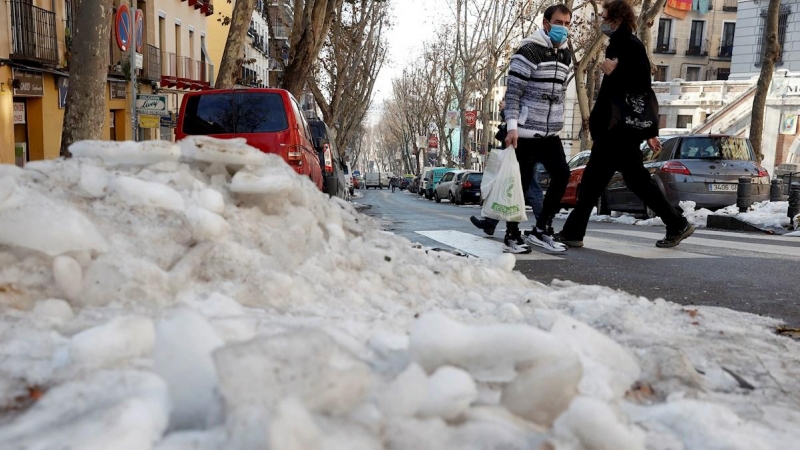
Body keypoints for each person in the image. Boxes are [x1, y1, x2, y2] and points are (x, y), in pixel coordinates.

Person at [554, 0, 694, 249]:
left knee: (605, 182)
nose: (602, 22)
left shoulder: (627, 44)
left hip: (618, 130)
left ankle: (676, 223)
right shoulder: (622, 42)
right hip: (617, 130)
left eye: (605, 17)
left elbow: (641, 84)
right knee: (619, 181)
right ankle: (675, 223)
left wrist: (614, 71)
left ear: (617, 19)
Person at [491, 4, 573, 253]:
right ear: (546, 23)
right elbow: (514, 92)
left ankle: (540, 229)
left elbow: (558, 93)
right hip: (525, 132)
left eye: (567, 24)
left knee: (562, 175)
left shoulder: (565, 54)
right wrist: (512, 127)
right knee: (520, 184)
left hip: (550, 133)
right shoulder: (528, 51)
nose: (563, 29)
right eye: (559, 23)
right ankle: (512, 235)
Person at [470, 100, 546, 252]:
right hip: (518, 155)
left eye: (503, 101)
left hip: (524, 154)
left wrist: (506, 110)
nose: (500, 103)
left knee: (531, 191)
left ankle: (542, 227)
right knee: (506, 191)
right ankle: (491, 224)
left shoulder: (526, 99)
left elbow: (522, 120)